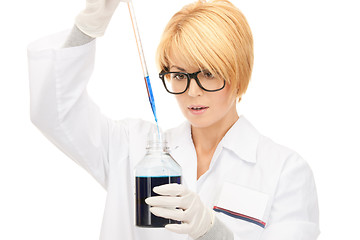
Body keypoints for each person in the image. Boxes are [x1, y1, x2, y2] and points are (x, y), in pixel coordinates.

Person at [28, 0, 320, 239]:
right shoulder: (131, 149)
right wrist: (87, 27)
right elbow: (54, 112)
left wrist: (213, 232)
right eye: (180, 75)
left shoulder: (285, 172)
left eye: (207, 73)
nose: (192, 92)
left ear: (237, 73)